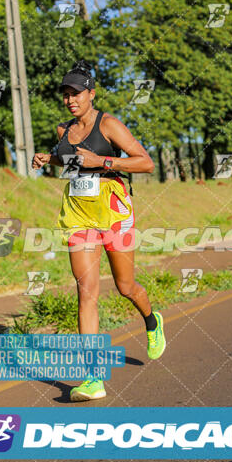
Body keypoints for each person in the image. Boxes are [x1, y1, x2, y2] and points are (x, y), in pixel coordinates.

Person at [32, 60, 166, 401]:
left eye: (76, 93)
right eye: (66, 94)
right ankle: (92, 379)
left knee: (125, 286)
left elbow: (145, 162)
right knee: (86, 293)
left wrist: (104, 162)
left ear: (91, 93)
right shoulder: (63, 131)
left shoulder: (109, 125)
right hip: (78, 215)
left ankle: (152, 321)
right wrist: (49, 159)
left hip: (114, 212)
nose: (71, 99)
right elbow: (70, 160)